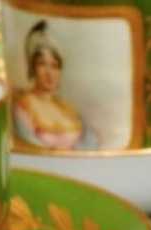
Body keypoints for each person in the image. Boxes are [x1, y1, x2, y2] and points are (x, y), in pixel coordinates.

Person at [11, 21, 99, 150]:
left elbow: (91, 143)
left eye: (55, 66)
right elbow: (30, 145)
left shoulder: (68, 110)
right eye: (42, 64)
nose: (49, 73)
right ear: (33, 68)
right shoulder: (25, 106)